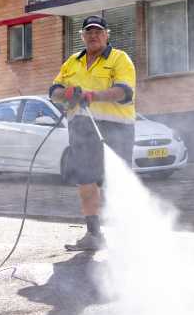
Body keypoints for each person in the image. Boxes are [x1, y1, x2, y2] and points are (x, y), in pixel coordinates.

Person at [49, 15, 136, 251]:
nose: (93, 35)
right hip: (81, 128)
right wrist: (66, 94)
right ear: (82, 36)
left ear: (107, 35)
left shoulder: (119, 59)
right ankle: (94, 235)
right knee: (86, 183)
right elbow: (54, 90)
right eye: (89, 32)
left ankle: (128, 235)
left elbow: (124, 92)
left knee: (116, 184)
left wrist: (93, 95)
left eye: (98, 31)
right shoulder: (72, 62)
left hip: (116, 128)